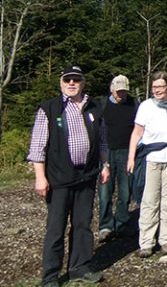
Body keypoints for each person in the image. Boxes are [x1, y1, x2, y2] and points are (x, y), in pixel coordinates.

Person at [27, 65, 109, 286]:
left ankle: (80, 267)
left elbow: (102, 140)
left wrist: (105, 165)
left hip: (87, 176)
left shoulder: (94, 108)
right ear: (61, 82)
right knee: (56, 228)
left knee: (83, 225)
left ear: (83, 82)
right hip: (59, 178)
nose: (71, 83)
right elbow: (37, 147)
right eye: (67, 80)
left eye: (76, 79)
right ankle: (51, 276)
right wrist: (40, 177)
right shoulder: (49, 109)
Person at [127, 71, 167, 258]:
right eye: (154, 87)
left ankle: (166, 240)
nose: (157, 90)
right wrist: (131, 157)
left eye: (160, 86)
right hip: (150, 159)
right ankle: (146, 242)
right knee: (149, 201)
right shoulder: (145, 106)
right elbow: (136, 133)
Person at [97, 75, 139, 242]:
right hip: (106, 151)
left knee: (125, 191)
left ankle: (121, 223)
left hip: (127, 152)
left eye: (123, 91)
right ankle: (105, 226)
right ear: (111, 89)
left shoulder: (135, 104)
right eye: (118, 91)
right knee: (105, 191)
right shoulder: (101, 105)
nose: (120, 94)